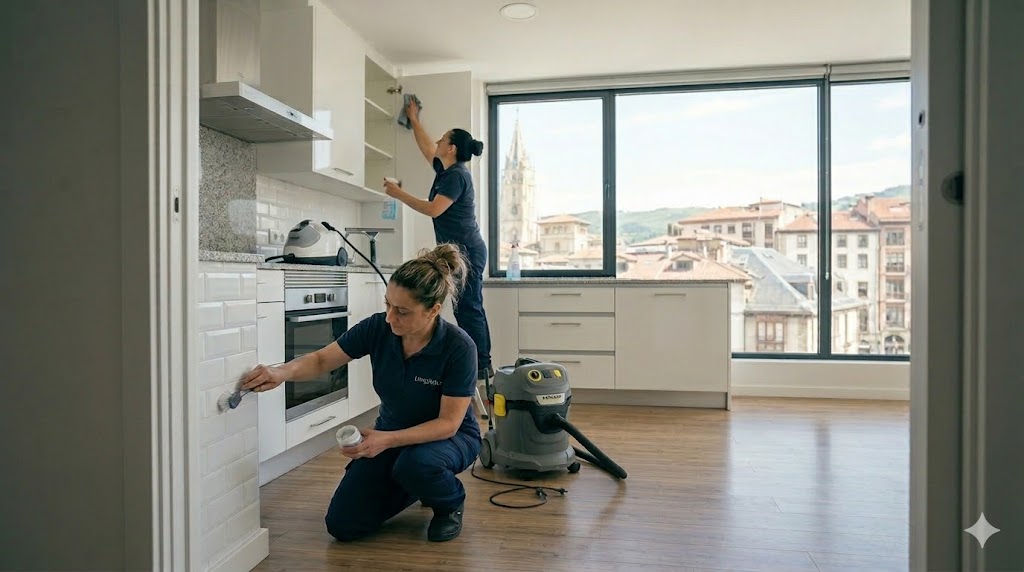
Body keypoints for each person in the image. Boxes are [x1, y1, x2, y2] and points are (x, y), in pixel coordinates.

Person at [240, 244, 481, 543]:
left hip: (449, 438)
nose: (390, 317)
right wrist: (280, 372)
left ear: (432, 310)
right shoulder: (378, 329)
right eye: (388, 305)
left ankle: (449, 502)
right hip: (392, 434)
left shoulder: (459, 348)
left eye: (402, 311)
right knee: (343, 525)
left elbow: (448, 424)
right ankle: (418, 483)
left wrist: (387, 440)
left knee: (417, 464)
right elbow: (321, 359)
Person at [383, 99, 493, 383]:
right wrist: (414, 119)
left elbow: (434, 209)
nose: (438, 141)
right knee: (463, 308)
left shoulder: (456, 176)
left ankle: (482, 370)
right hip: (458, 250)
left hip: (467, 250)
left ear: (452, 148)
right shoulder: (447, 172)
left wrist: (398, 194)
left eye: (443, 139)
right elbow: (427, 149)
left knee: (468, 308)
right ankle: (477, 368)